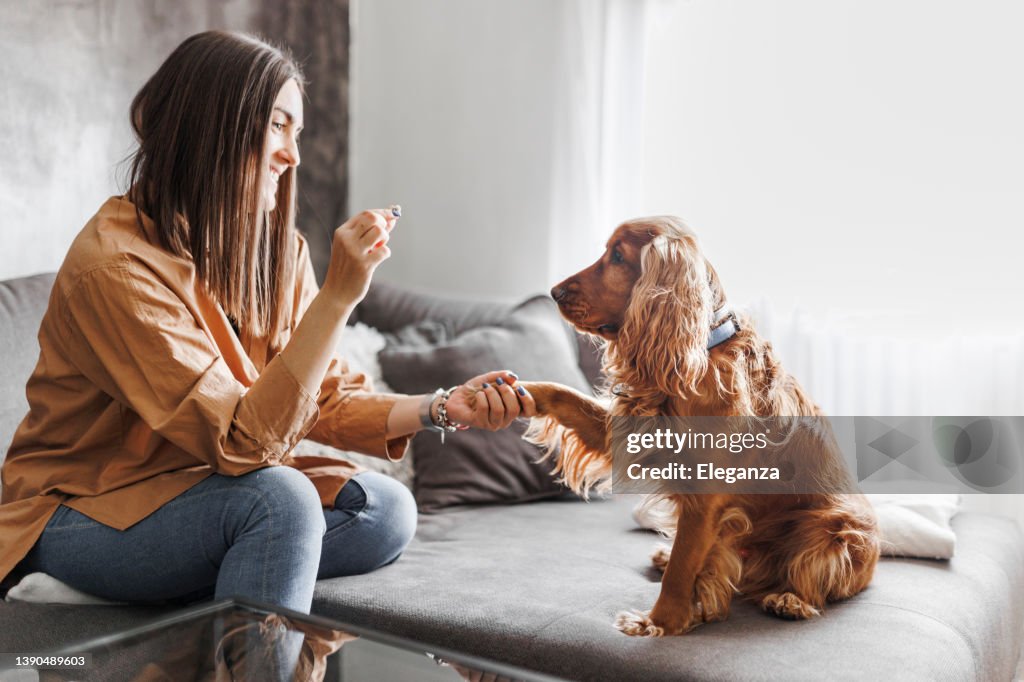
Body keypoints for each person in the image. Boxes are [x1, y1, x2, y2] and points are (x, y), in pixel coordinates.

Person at [0, 31, 536, 617]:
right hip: (83, 510)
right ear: (211, 127)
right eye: (278, 126)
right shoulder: (115, 268)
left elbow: (320, 396)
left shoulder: (276, 254)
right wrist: (339, 298)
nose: (294, 155)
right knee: (281, 501)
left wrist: (441, 407)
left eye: (297, 132)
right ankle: (88, 584)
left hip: (203, 492)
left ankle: (192, 586)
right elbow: (241, 443)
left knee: (384, 509)